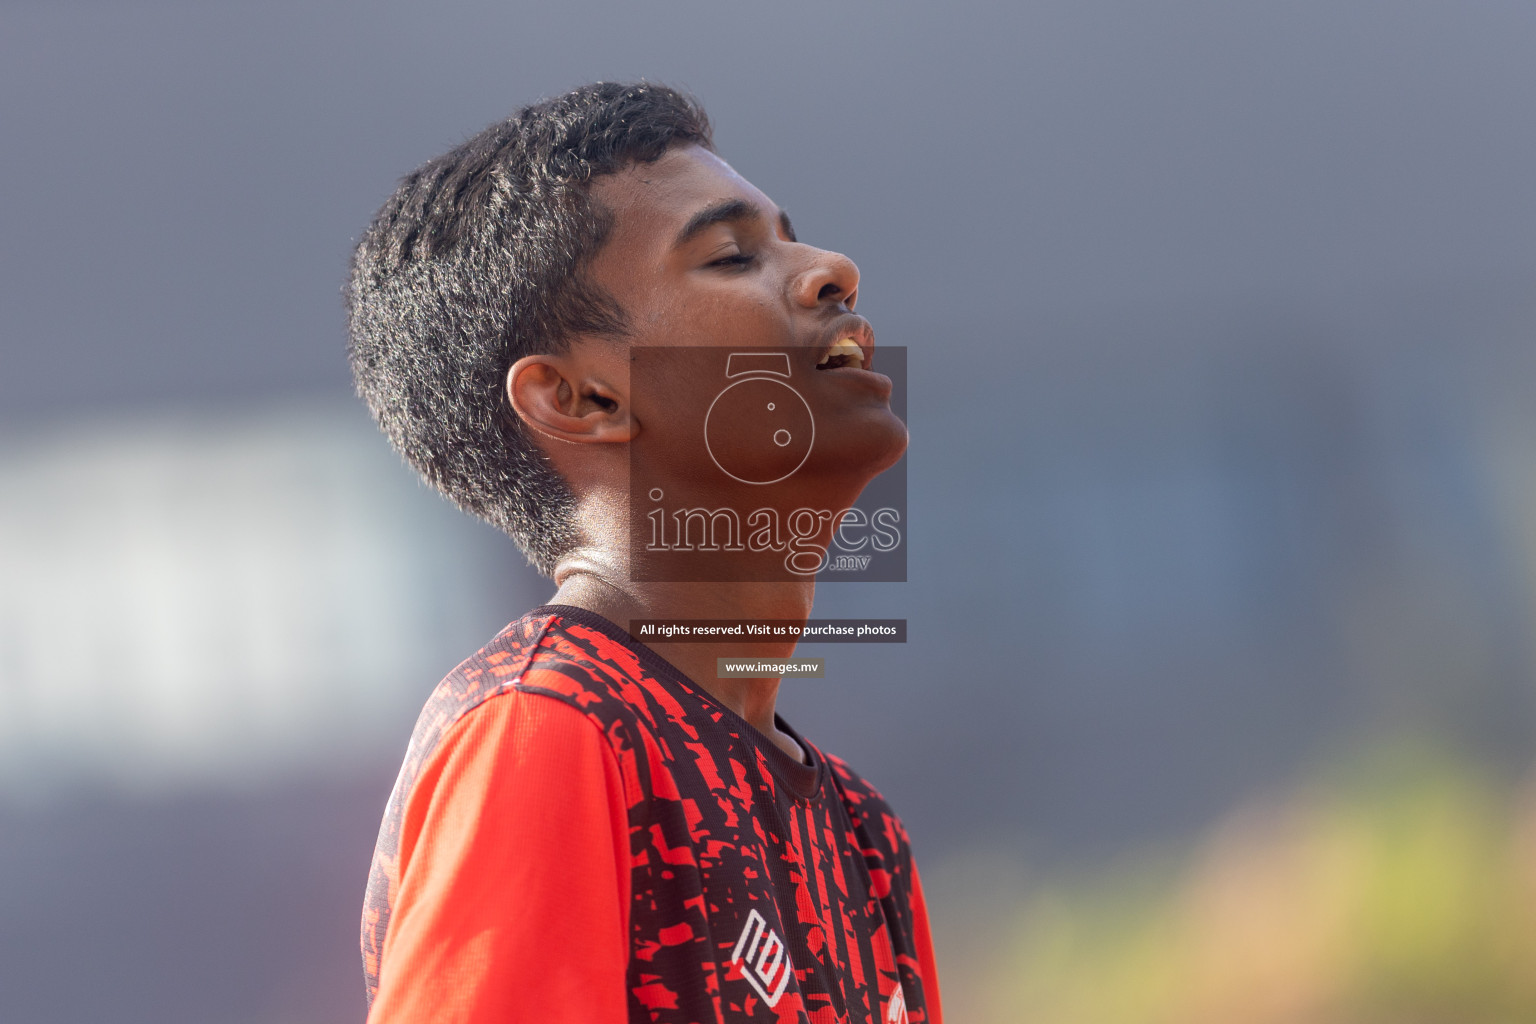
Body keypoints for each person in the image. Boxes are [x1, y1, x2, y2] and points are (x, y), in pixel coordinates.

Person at [347, 81, 941, 1023]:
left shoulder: (864, 840)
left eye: (793, 237)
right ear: (580, 399)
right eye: (733, 255)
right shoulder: (546, 731)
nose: (833, 268)